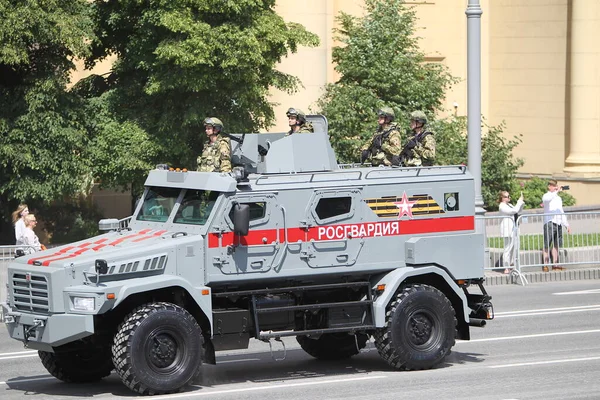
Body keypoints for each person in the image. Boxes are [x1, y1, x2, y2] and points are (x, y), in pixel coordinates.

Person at [542, 180, 571, 272]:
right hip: (549, 222)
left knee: (556, 245)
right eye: (553, 186)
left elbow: (561, 211)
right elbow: (547, 200)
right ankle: (545, 265)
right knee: (547, 244)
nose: (554, 187)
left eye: (555, 185)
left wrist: (566, 224)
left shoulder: (558, 198)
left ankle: (555, 264)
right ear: (549, 186)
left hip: (558, 223)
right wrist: (556, 191)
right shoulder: (546, 196)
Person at [498, 190, 524, 274]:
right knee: (507, 248)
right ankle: (506, 267)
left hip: (514, 229)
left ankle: (511, 264)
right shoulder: (502, 206)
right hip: (508, 230)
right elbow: (513, 211)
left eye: (509, 196)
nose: (509, 198)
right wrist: (519, 202)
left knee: (514, 247)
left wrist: (521, 202)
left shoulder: (509, 205)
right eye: (507, 196)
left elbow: (518, 211)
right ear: (502, 198)